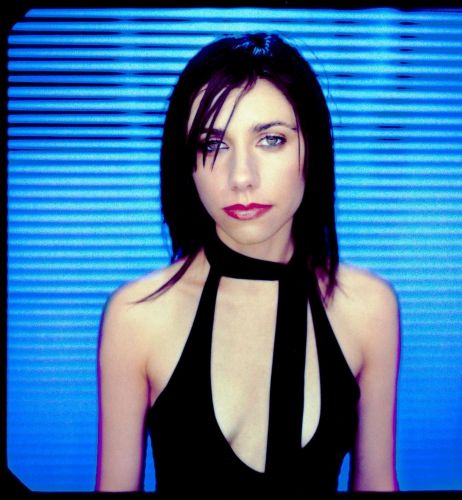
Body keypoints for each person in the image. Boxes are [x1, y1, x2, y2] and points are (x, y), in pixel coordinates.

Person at [95, 32, 400, 495]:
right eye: (213, 144)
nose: (241, 177)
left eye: (271, 140)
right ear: (186, 164)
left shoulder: (369, 308)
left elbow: (377, 483)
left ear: (313, 150)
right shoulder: (137, 317)